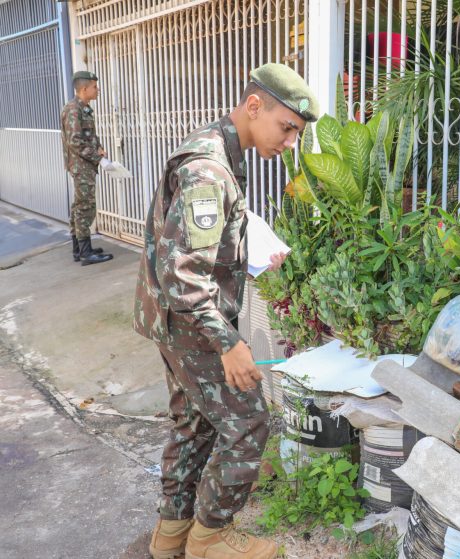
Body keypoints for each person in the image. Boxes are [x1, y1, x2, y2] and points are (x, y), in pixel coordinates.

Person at [133, 63, 319, 559]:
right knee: (251, 422)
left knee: (194, 424)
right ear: (255, 106)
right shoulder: (209, 169)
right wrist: (231, 343)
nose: (289, 143)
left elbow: (193, 251)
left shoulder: (217, 150)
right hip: (192, 323)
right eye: (287, 128)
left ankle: (171, 536)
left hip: (175, 321)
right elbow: (183, 276)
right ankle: (211, 539)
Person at [60, 70, 114, 266]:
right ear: (84, 88)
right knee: (85, 207)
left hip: (85, 164)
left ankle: (79, 249)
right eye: (94, 87)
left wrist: (99, 147)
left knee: (79, 206)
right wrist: (96, 157)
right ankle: (85, 252)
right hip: (81, 166)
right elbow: (75, 141)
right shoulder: (73, 110)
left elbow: (88, 135)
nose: (97, 89)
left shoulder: (83, 108)